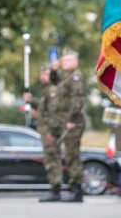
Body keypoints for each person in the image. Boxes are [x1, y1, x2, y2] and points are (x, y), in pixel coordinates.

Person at [48, 49, 86, 202]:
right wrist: (53, 70)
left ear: (76, 62)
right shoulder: (65, 77)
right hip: (66, 122)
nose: (65, 63)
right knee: (69, 156)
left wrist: (72, 119)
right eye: (63, 61)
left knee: (72, 156)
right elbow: (54, 81)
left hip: (73, 122)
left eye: (68, 60)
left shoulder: (76, 76)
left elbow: (77, 100)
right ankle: (73, 188)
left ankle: (77, 191)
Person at [37, 64, 63, 202]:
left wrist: (51, 132)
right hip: (46, 129)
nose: (43, 77)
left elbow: (53, 113)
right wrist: (32, 103)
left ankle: (56, 190)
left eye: (46, 74)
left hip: (50, 130)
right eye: (42, 75)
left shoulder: (53, 90)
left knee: (52, 160)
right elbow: (44, 111)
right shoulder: (47, 90)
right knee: (50, 159)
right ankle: (54, 188)